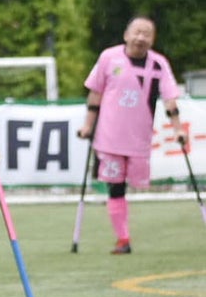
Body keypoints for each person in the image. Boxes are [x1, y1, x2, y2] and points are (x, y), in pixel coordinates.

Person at [77, 16, 186, 255]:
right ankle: (123, 238)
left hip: (139, 139)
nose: (141, 37)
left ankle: (124, 234)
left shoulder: (159, 64)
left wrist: (178, 128)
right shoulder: (109, 58)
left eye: (147, 33)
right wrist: (87, 126)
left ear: (153, 39)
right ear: (126, 35)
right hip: (109, 138)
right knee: (115, 187)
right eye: (137, 32)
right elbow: (95, 94)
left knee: (138, 186)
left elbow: (170, 100)